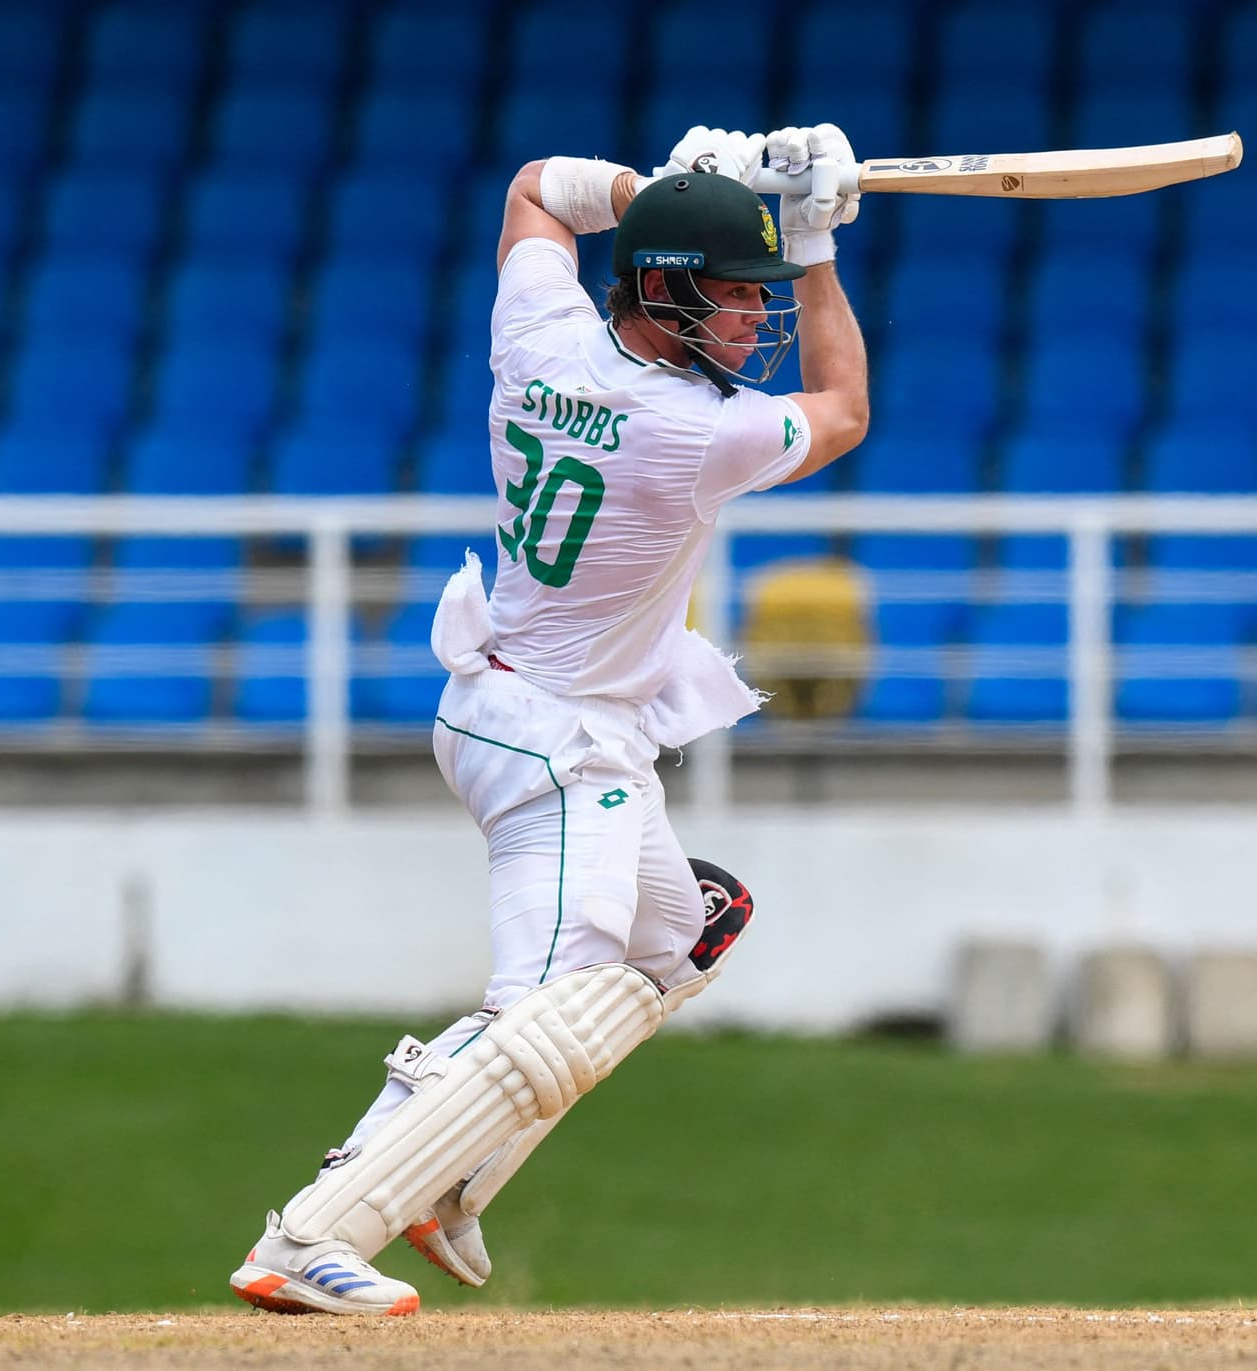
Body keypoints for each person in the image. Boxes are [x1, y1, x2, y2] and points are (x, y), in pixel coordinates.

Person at [228, 123, 869, 1316]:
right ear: (669, 292)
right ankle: (314, 1229)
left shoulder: (541, 334)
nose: (753, 319)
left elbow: (533, 187)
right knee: (542, 1000)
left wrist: (662, 193)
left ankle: (454, 1169)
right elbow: (842, 409)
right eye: (734, 297)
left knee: (689, 934)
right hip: (557, 743)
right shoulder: (694, 436)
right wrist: (819, 240)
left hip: (512, 704)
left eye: (762, 297)